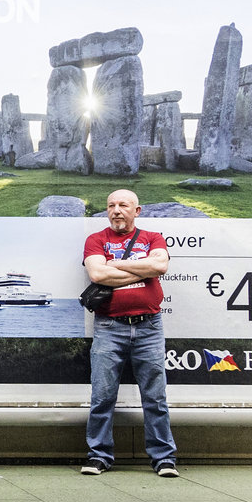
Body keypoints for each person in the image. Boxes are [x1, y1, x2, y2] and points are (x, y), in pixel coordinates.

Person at [80, 189, 178, 478]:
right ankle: (98, 455)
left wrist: (117, 264)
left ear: (137, 210)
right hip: (110, 327)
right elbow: (97, 275)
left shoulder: (153, 238)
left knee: (155, 396)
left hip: (149, 327)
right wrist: (143, 270)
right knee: (102, 395)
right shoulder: (96, 240)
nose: (116, 210)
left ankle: (164, 458)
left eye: (123, 205)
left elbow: (159, 265)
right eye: (111, 205)